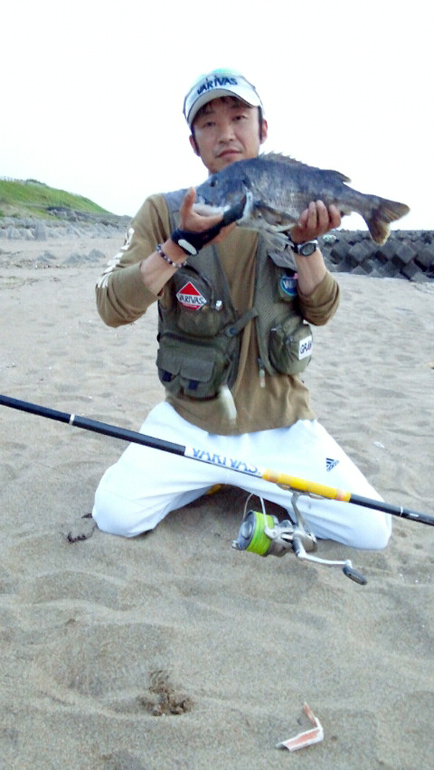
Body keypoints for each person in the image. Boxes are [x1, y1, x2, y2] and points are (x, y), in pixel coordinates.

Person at [92, 68, 391, 549]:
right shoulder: (163, 212)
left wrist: (306, 245)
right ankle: (216, 476)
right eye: (209, 123)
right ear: (194, 142)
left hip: (282, 425)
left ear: (262, 128)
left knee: (371, 530)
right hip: (191, 421)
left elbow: (323, 310)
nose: (226, 133)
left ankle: (233, 477)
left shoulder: (291, 206)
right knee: (115, 514)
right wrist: (179, 244)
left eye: (238, 117)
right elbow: (111, 305)